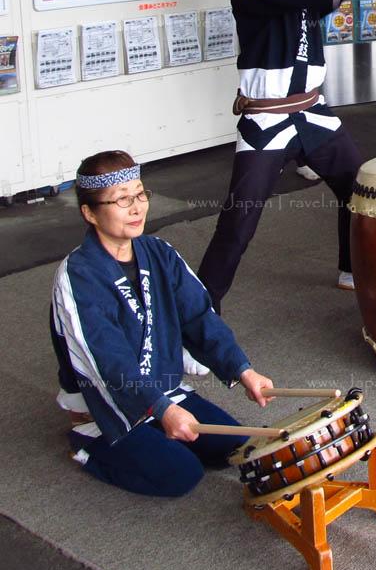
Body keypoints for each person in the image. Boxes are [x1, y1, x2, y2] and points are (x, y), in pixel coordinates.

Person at [197, 0, 376, 311]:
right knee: (240, 221)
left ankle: (351, 269)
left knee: (361, 192)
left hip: (314, 111)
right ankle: (198, 318)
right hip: (267, 116)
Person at [50, 150, 274, 497]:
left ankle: (157, 426)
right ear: (89, 213)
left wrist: (242, 370)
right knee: (180, 474)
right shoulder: (77, 275)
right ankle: (87, 443)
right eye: (122, 200)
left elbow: (199, 316)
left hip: (163, 386)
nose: (137, 207)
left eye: (140, 194)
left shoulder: (159, 253)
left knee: (236, 445)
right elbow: (108, 362)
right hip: (105, 401)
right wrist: (161, 410)